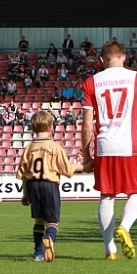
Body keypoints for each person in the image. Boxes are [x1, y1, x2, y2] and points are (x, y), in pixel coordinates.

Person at [81, 41, 137, 260]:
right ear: (124, 57)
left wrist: (86, 153)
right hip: (130, 144)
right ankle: (124, 227)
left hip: (104, 146)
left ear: (101, 60)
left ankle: (110, 249)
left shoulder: (91, 82)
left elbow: (87, 124)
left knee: (106, 197)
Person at [16, 111, 82, 262]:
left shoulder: (29, 148)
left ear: (33, 127)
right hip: (49, 184)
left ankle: (38, 254)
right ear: (51, 127)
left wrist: (25, 194)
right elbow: (67, 169)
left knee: (39, 220)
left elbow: (24, 174)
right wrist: (85, 167)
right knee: (52, 222)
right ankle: (49, 238)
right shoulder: (54, 147)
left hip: (33, 185)